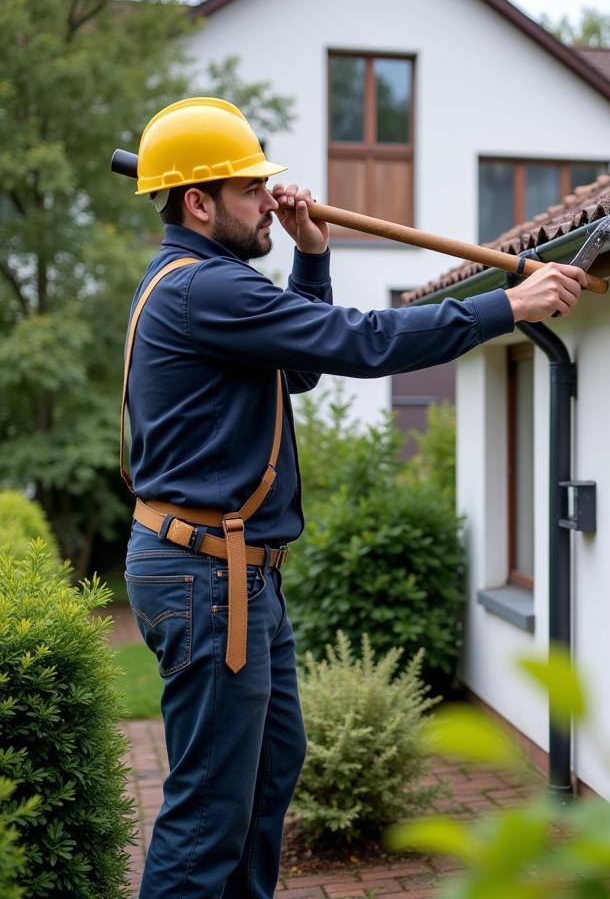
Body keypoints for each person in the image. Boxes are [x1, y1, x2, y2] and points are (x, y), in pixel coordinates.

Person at [120, 97, 586, 899]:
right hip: (206, 575)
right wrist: (503, 306)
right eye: (250, 191)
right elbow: (360, 343)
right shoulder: (208, 291)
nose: (271, 199)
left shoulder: (215, 288)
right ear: (198, 203)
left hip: (232, 571)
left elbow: (300, 363)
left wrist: (310, 255)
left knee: (269, 772)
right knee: (207, 813)